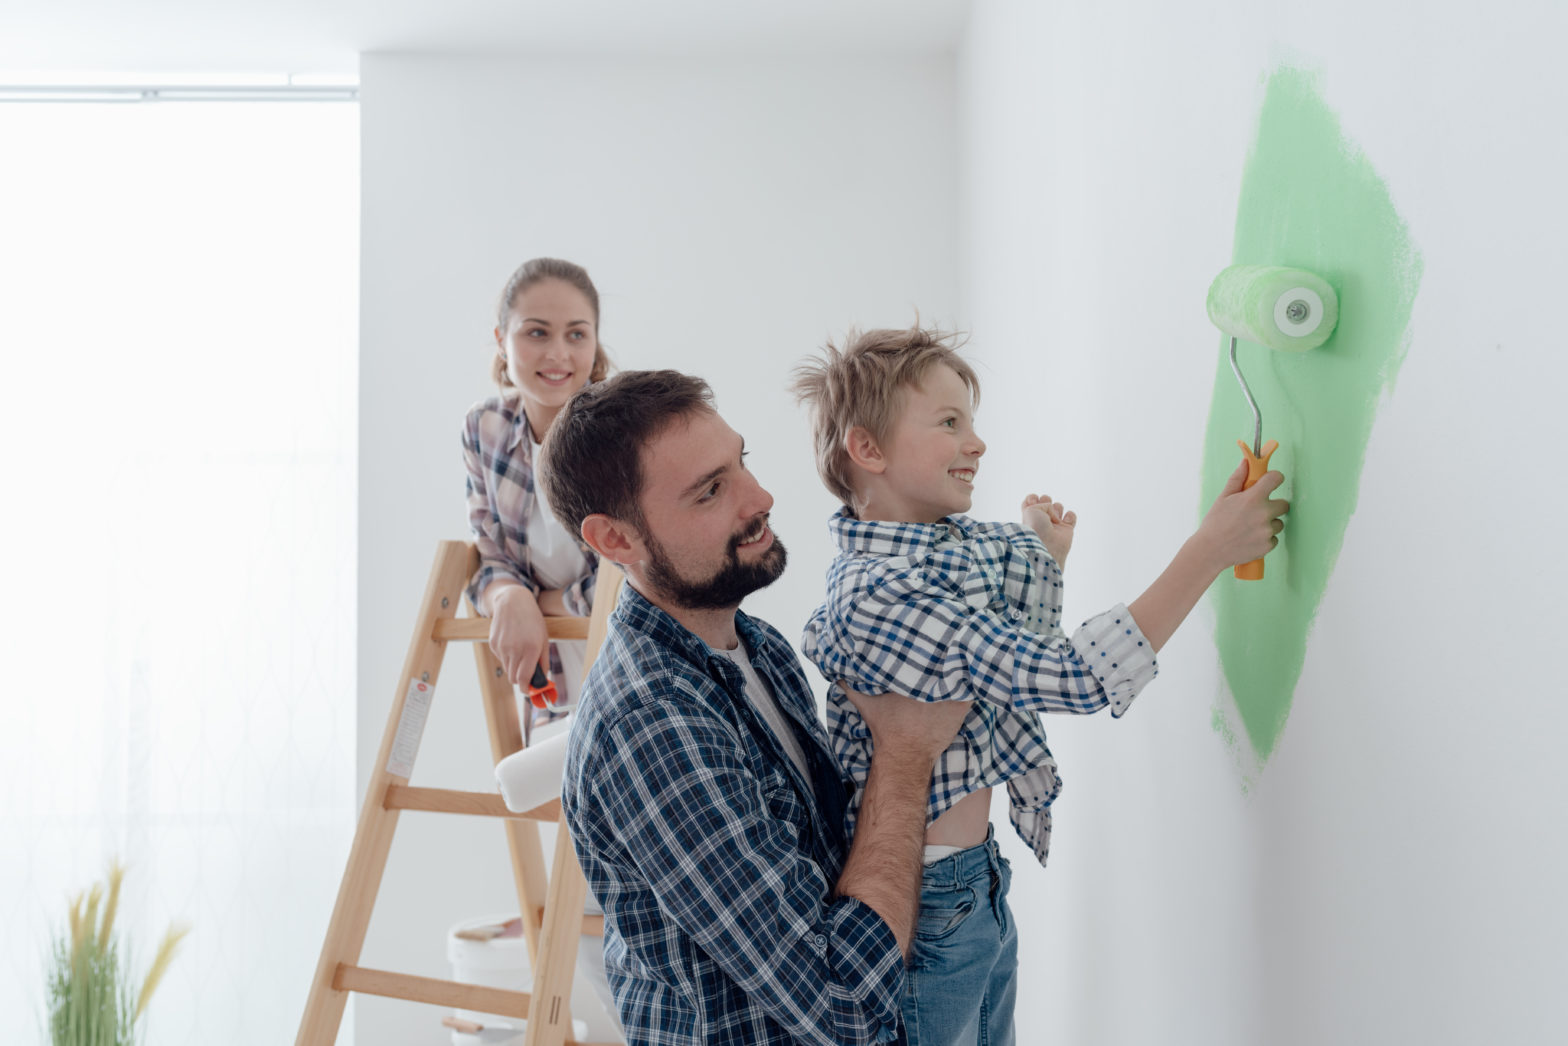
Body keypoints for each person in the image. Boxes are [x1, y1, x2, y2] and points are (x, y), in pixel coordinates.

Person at [791, 324, 1289, 1046]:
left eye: (973, 421)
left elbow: (1016, 663)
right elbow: (1074, 676)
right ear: (867, 450)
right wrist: (1208, 551)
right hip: (927, 904)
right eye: (950, 422)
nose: (977, 443)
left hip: (974, 881)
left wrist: (1041, 559)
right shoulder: (878, 594)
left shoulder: (950, 549)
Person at [539, 370, 973, 1045]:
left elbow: (833, 868)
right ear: (615, 541)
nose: (761, 498)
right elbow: (843, 1005)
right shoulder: (653, 726)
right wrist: (906, 756)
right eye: (711, 491)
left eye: (741, 462)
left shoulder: (757, 645)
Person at [462, 257, 611, 710]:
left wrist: (539, 603)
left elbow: (638, 572)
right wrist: (507, 596)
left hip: (634, 668)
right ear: (501, 341)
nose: (558, 353)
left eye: (577, 334)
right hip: (548, 675)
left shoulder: (624, 432)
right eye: (537, 332)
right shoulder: (484, 427)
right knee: (532, 779)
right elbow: (489, 554)